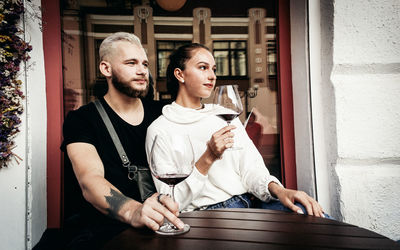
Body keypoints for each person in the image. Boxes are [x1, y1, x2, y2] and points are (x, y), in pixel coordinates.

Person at [145, 43, 326, 217]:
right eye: (202, 67)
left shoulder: (224, 116)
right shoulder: (160, 129)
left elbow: (251, 169)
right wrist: (209, 156)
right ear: (180, 74)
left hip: (252, 202)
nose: (212, 76)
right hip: (206, 215)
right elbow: (172, 200)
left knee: (314, 217)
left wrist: (280, 190)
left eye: (213, 69)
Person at [59, 32, 184, 249]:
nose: (142, 70)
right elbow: (90, 181)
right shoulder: (82, 119)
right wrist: (133, 211)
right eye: (131, 63)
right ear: (106, 69)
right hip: (106, 230)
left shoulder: (163, 113)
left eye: (144, 64)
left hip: (165, 224)